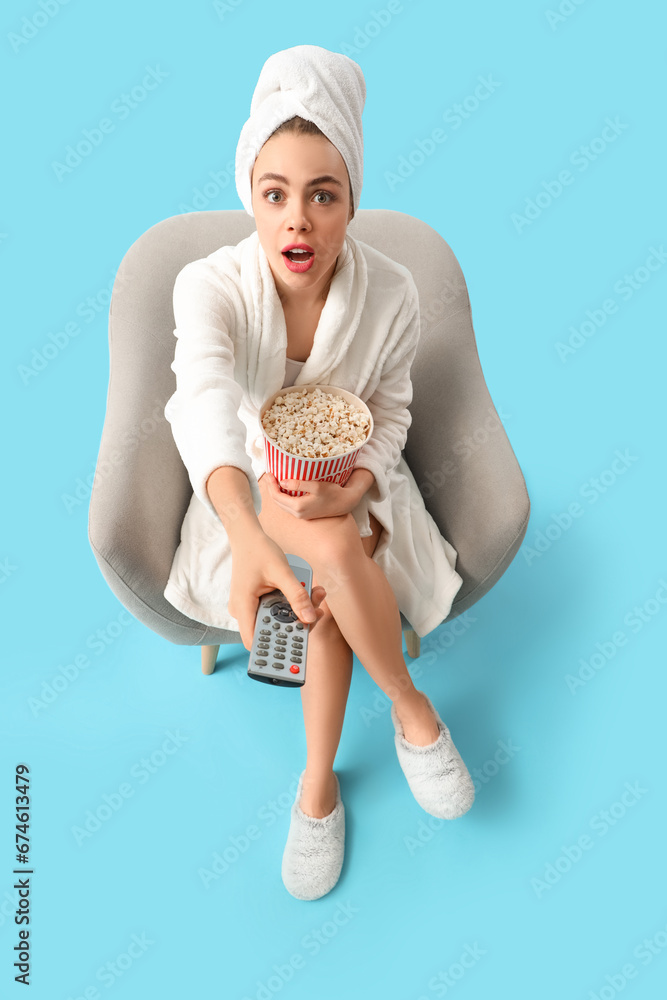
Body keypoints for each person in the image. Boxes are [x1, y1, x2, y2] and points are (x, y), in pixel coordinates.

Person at [163, 45, 474, 901]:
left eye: (322, 194)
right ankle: (411, 712)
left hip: (352, 484)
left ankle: (316, 789)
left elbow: (395, 414)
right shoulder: (208, 286)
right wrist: (242, 521)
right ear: (251, 197)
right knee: (332, 551)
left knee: (333, 556)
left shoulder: (394, 294)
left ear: (350, 200)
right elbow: (201, 400)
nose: (296, 220)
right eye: (275, 194)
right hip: (240, 487)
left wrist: (359, 482)